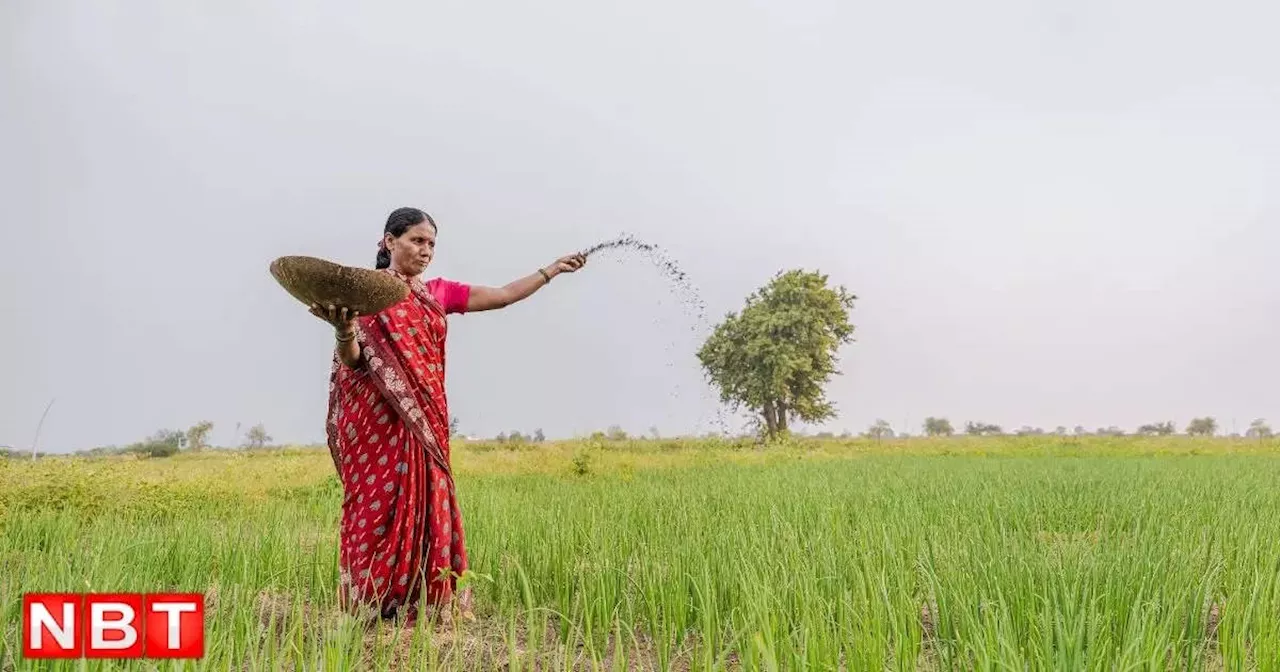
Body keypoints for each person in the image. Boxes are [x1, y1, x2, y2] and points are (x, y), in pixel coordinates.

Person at [308, 206, 586, 624]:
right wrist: (344, 330)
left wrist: (551, 270)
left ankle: (428, 603)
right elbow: (353, 362)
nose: (425, 251)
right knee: (376, 506)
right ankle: (370, 605)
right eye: (417, 241)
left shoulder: (435, 293)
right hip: (380, 425)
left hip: (427, 426)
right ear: (389, 241)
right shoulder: (365, 294)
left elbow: (504, 295)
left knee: (426, 501)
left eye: (431, 244)